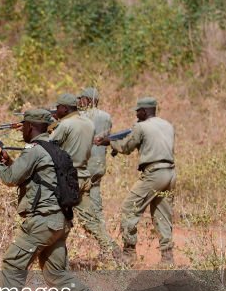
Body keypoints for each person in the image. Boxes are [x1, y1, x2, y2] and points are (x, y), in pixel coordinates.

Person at [0, 108, 109, 291]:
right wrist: (8, 161)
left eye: (24, 125)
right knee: (56, 276)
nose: (22, 129)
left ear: (31, 127)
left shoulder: (34, 150)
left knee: (12, 264)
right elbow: (34, 176)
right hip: (59, 221)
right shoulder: (54, 149)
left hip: (42, 221)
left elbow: (10, 179)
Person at [95, 96, 176, 267]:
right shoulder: (167, 125)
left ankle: (129, 254)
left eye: (138, 111)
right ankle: (167, 258)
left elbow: (126, 147)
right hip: (170, 173)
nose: (136, 114)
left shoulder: (141, 126)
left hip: (153, 173)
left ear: (145, 111)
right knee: (163, 215)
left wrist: (109, 141)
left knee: (129, 209)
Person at [50, 93, 120, 261]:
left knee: (53, 218)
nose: (56, 110)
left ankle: (56, 260)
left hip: (67, 180)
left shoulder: (65, 124)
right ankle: (111, 247)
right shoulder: (88, 123)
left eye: (58, 107)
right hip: (83, 176)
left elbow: (50, 146)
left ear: (65, 108)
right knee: (91, 219)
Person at [77, 87, 112, 219]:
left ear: (87, 100)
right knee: (95, 192)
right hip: (99, 163)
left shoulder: (81, 116)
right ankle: (99, 221)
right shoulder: (106, 117)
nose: (80, 101)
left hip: (86, 163)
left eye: (82, 99)